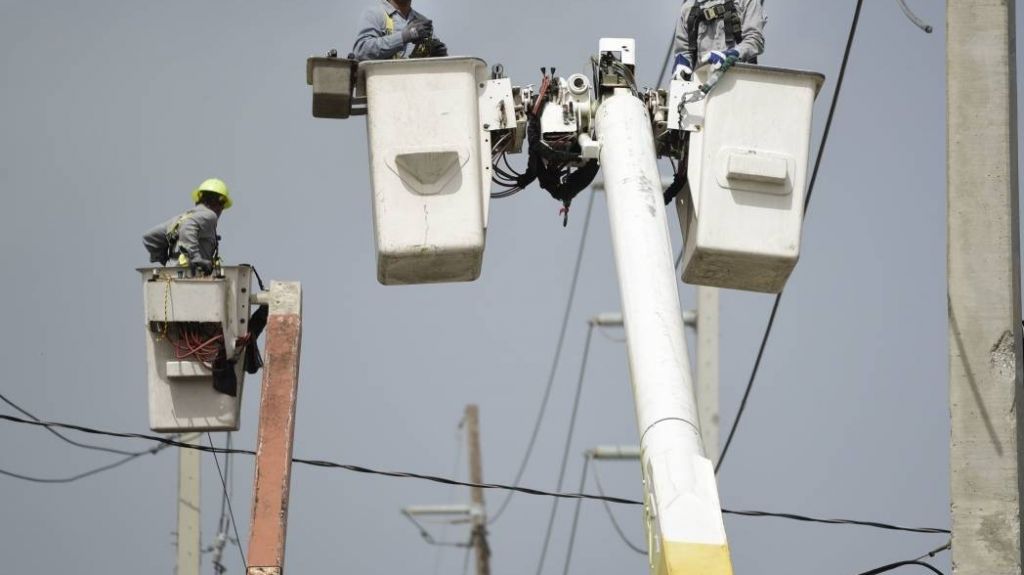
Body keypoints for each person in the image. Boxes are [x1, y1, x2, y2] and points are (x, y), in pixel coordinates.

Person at [143, 178, 232, 276]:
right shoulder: (210, 215)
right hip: (192, 278)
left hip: (171, 276)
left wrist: (165, 260)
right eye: (223, 206)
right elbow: (188, 228)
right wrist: (196, 258)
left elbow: (149, 238)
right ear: (219, 203)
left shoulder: (180, 219)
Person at [671, 0, 766, 79]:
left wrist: (730, 55)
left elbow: (754, 40)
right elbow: (683, 51)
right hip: (702, 86)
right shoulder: (688, 9)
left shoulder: (746, 2)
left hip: (739, 82)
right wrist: (682, 65)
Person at [351, 0, 447, 61]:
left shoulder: (422, 22)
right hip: (381, 88)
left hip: (414, 88)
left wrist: (438, 56)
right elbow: (361, 51)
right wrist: (404, 37)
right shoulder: (374, 14)